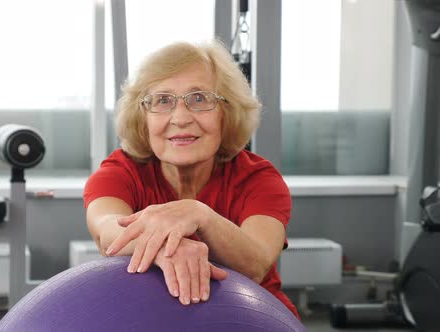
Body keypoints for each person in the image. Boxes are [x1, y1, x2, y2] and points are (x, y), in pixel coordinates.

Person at [83, 39, 299, 319]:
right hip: (152, 317)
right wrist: (170, 245)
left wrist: (200, 215)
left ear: (227, 113)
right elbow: (107, 232)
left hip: (251, 318)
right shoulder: (120, 171)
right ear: (143, 118)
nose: (181, 117)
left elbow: (256, 262)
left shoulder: (258, 179)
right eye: (162, 100)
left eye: (199, 99)